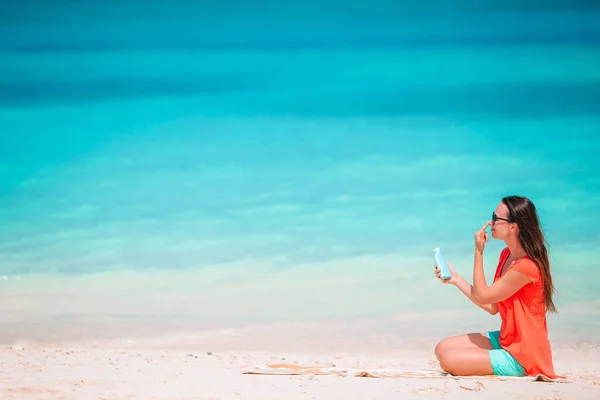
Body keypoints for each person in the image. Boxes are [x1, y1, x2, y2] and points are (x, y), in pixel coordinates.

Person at [433, 195, 559, 378]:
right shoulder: (506, 255)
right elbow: (492, 306)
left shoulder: (526, 267)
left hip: (524, 354)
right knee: (441, 348)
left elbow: (483, 296)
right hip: (507, 339)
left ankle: (516, 368)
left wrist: (478, 251)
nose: (490, 222)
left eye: (496, 218)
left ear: (513, 226)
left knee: (448, 360)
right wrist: (456, 279)